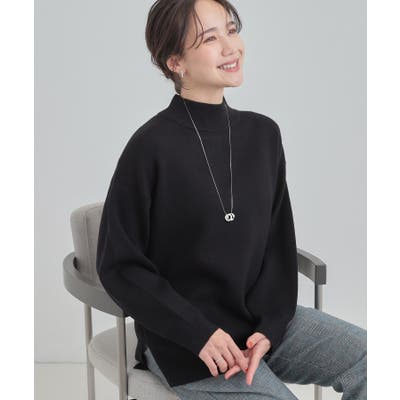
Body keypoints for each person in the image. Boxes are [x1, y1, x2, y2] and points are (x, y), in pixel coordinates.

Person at [96, 0, 367, 399]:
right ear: (176, 62)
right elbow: (119, 265)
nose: (231, 47)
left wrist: (269, 328)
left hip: (261, 324)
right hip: (188, 344)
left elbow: (277, 248)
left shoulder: (263, 135)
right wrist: (198, 332)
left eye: (232, 30)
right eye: (210, 38)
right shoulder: (150, 147)